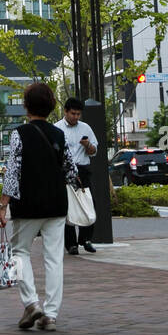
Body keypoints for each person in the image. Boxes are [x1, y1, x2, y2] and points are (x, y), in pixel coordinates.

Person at [0, 81, 78, 332]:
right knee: (54, 258)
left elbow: (12, 171)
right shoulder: (59, 134)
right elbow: (71, 171)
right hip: (56, 203)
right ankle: (50, 314)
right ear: (52, 105)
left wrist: (3, 205)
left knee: (19, 252)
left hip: (27, 203)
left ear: (26, 106)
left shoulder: (19, 134)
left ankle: (31, 303)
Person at [54, 97, 98, 255]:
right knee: (67, 207)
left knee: (89, 203)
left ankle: (86, 239)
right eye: (73, 113)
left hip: (83, 169)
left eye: (78, 114)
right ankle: (71, 244)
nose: (76, 117)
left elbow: (94, 151)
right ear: (65, 111)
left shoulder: (85, 128)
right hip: (64, 171)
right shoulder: (57, 128)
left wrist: (88, 146)